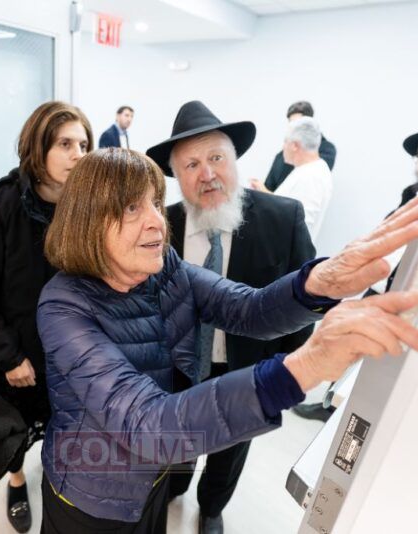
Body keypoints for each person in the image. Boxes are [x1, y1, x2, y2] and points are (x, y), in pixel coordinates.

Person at [37, 148, 418, 533]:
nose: (158, 221)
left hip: (152, 476)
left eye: (155, 202)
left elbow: (247, 308)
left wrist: (319, 283)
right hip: (91, 493)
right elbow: (149, 424)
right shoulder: (64, 307)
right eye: (131, 208)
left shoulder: (163, 267)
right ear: (87, 220)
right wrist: (307, 364)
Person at [146, 100, 315, 533]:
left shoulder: (283, 218)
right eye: (191, 165)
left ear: (235, 160)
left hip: (246, 368)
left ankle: (212, 507)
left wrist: (286, 369)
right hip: (179, 369)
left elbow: (302, 308)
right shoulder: (159, 228)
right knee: (177, 443)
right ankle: (174, 489)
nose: (207, 174)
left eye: (217, 158)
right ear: (176, 176)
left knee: (230, 450)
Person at [0, 101, 93, 532]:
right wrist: (9, 357)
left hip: (72, 354)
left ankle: (59, 483)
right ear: (38, 147)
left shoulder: (87, 206)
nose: (78, 155)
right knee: (15, 433)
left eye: (83, 145)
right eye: (65, 144)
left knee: (68, 430)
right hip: (19, 356)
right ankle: (16, 480)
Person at [292, 116, 418, 423]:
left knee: (375, 368)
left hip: (405, 300)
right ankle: (329, 405)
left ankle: (347, 415)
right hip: (379, 286)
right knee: (350, 347)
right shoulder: (412, 194)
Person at [273, 116, 333, 241]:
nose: (283, 147)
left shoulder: (311, 176)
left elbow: (300, 228)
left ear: (295, 145)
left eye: (285, 141)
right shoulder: (308, 170)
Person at [257, 100, 336, 193]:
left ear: (309, 123)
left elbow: (310, 184)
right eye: (291, 123)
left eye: (298, 123)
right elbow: (269, 187)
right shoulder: (281, 156)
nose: (293, 128)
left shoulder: (321, 157)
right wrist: (262, 190)